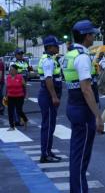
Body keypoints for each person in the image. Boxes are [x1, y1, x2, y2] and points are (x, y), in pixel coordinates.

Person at [64, 20, 104, 193]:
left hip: (73, 105)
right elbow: (86, 89)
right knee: (81, 158)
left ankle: (77, 188)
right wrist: (98, 116)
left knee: (77, 154)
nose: (94, 36)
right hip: (83, 109)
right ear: (87, 36)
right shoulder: (82, 57)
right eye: (92, 34)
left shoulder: (71, 54)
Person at [38, 35, 64, 163]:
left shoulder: (50, 59)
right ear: (49, 47)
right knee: (48, 125)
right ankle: (45, 154)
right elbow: (48, 79)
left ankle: (48, 151)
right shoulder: (48, 60)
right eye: (56, 45)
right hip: (48, 96)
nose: (58, 47)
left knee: (50, 125)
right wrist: (54, 96)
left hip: (48, 95)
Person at [6, 64, 28, 131]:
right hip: (10, 97)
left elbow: (24, 86)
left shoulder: (20, 77)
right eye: (10, 69)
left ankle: (25, 119)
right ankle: (11, 126)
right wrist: (6, 96)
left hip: (19, 97)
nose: (10, 71)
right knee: (10, 111)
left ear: (16, 70)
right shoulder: (8, 77)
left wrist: (26, 95)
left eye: (12, 69)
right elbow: (7, 88)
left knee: (19, 111)